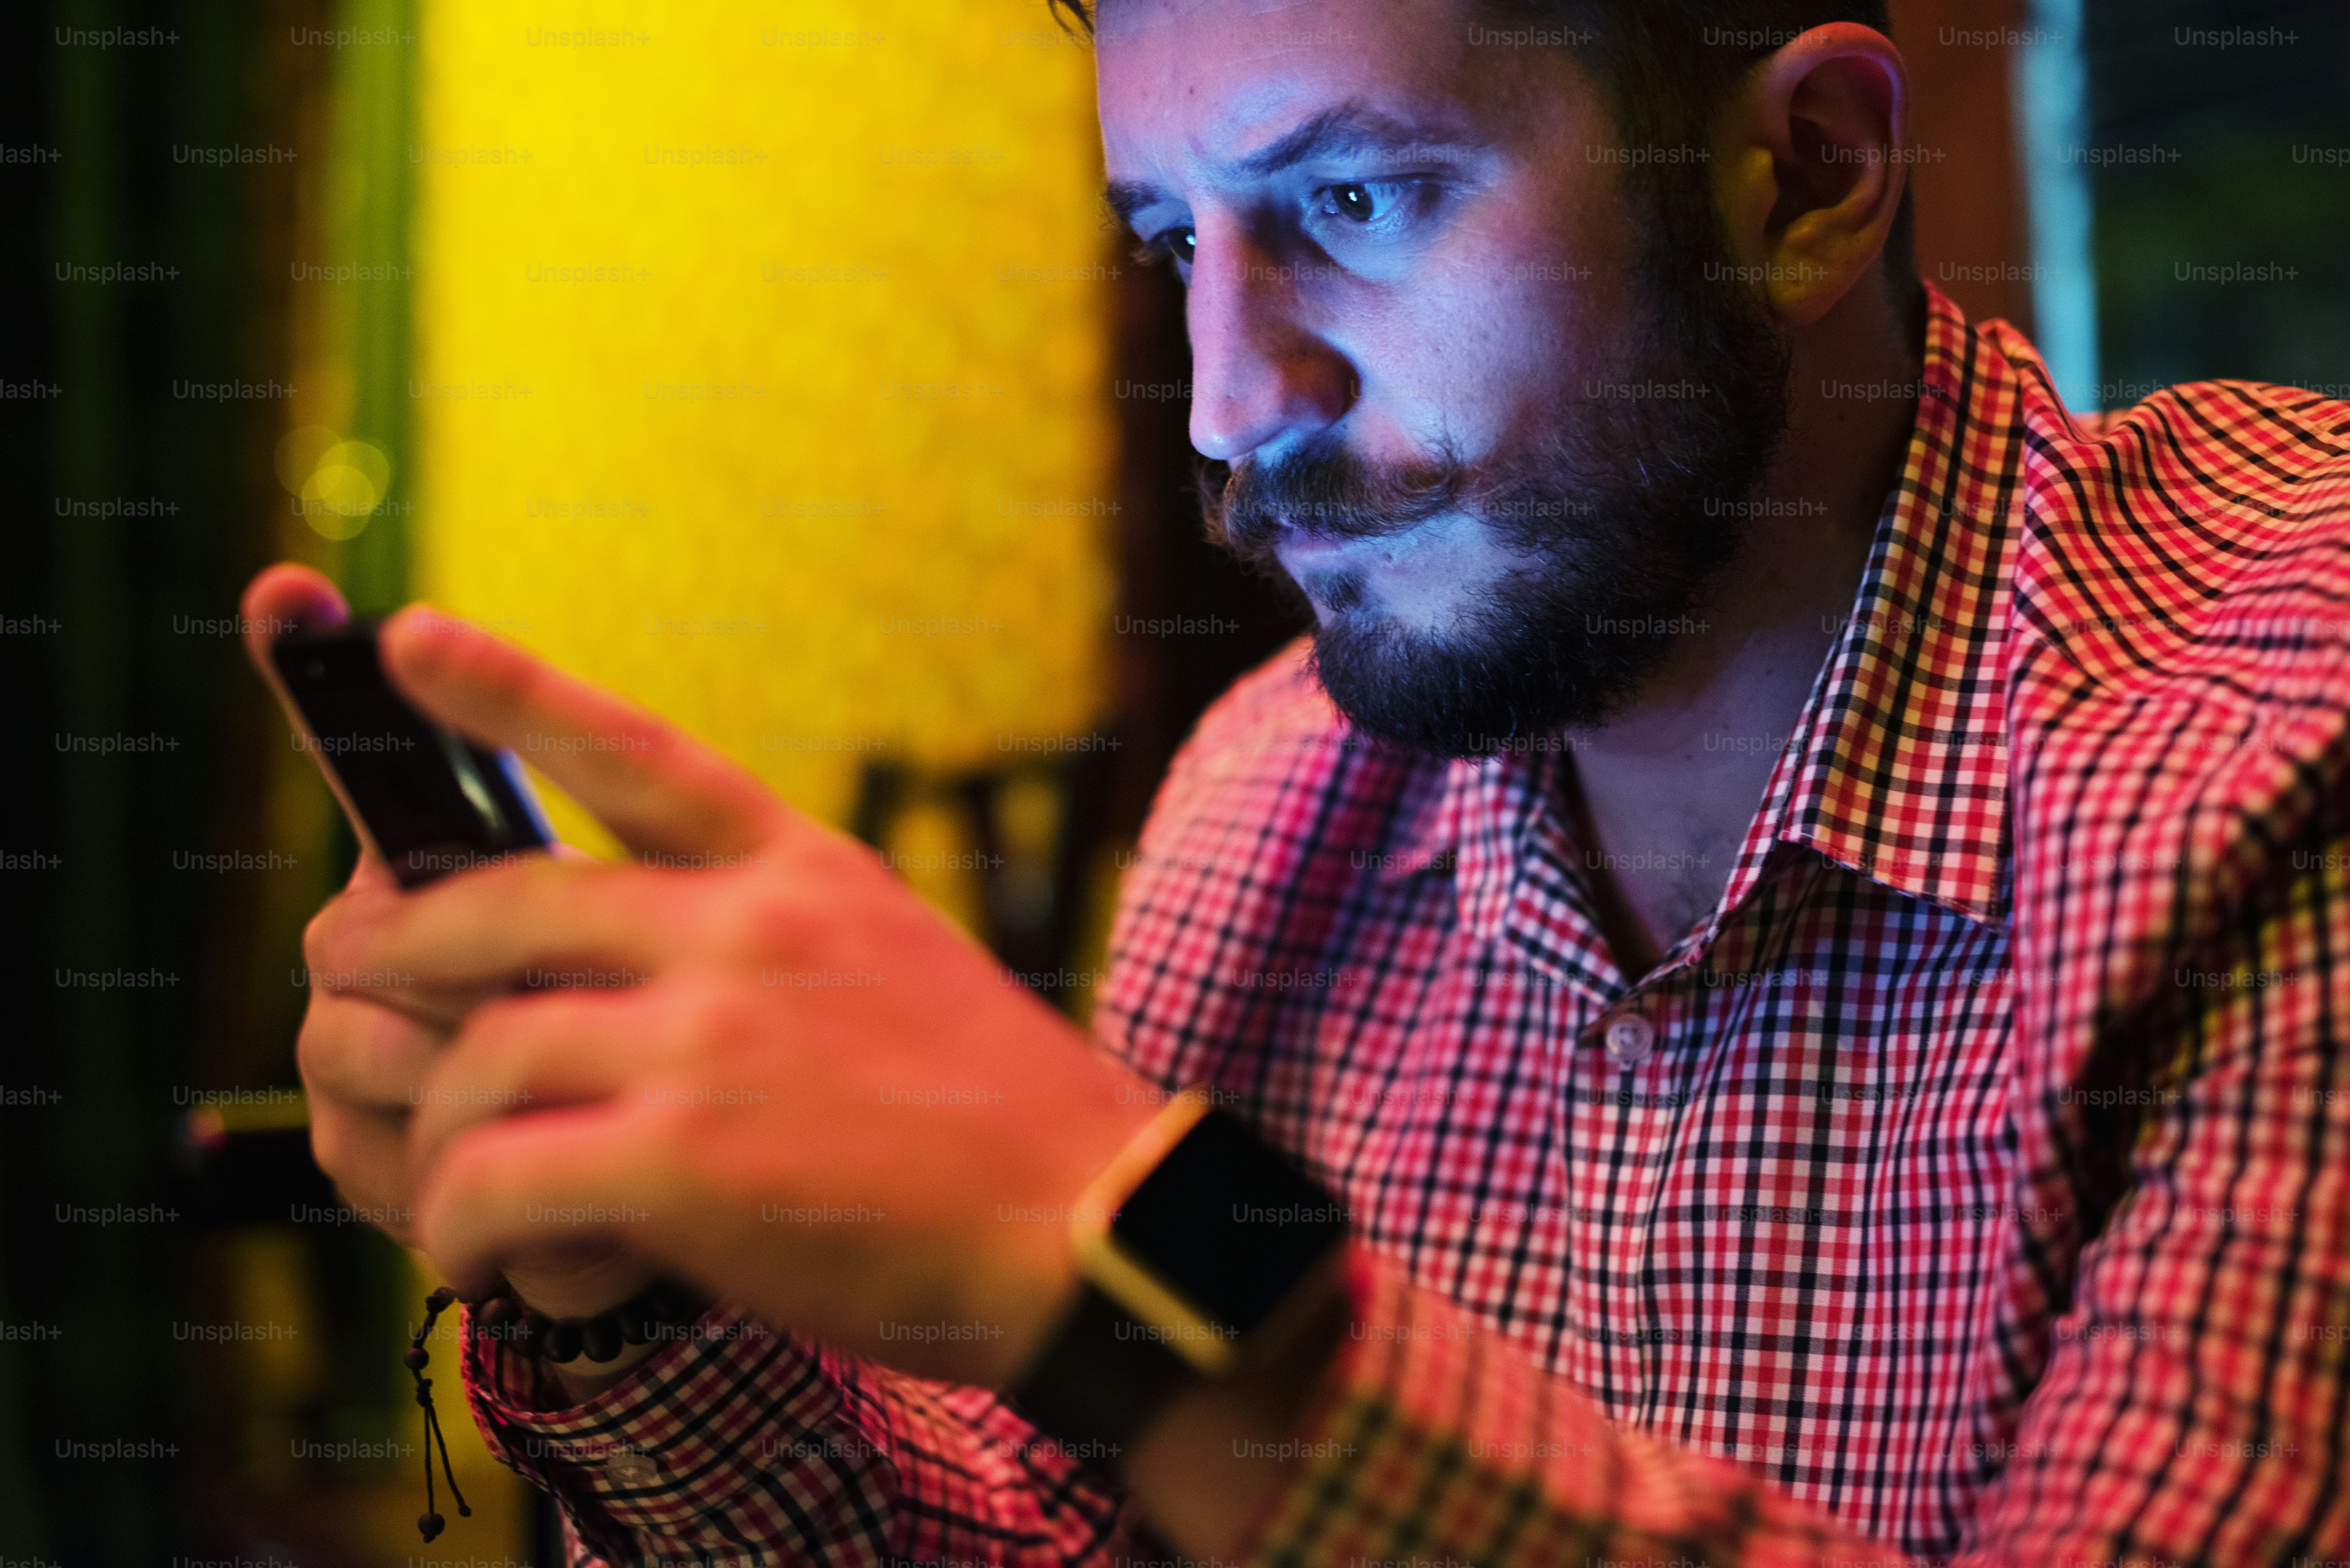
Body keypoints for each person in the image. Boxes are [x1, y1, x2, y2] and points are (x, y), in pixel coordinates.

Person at [243, 0, 2350, 1563]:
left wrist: (1153, 1270)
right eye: (1176, 244)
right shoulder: (1285, 795)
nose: (1233, 410)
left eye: (1352, 200)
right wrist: (641, 1271)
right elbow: (1080, 1534)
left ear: (1797, 176)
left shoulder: (2276, 731)